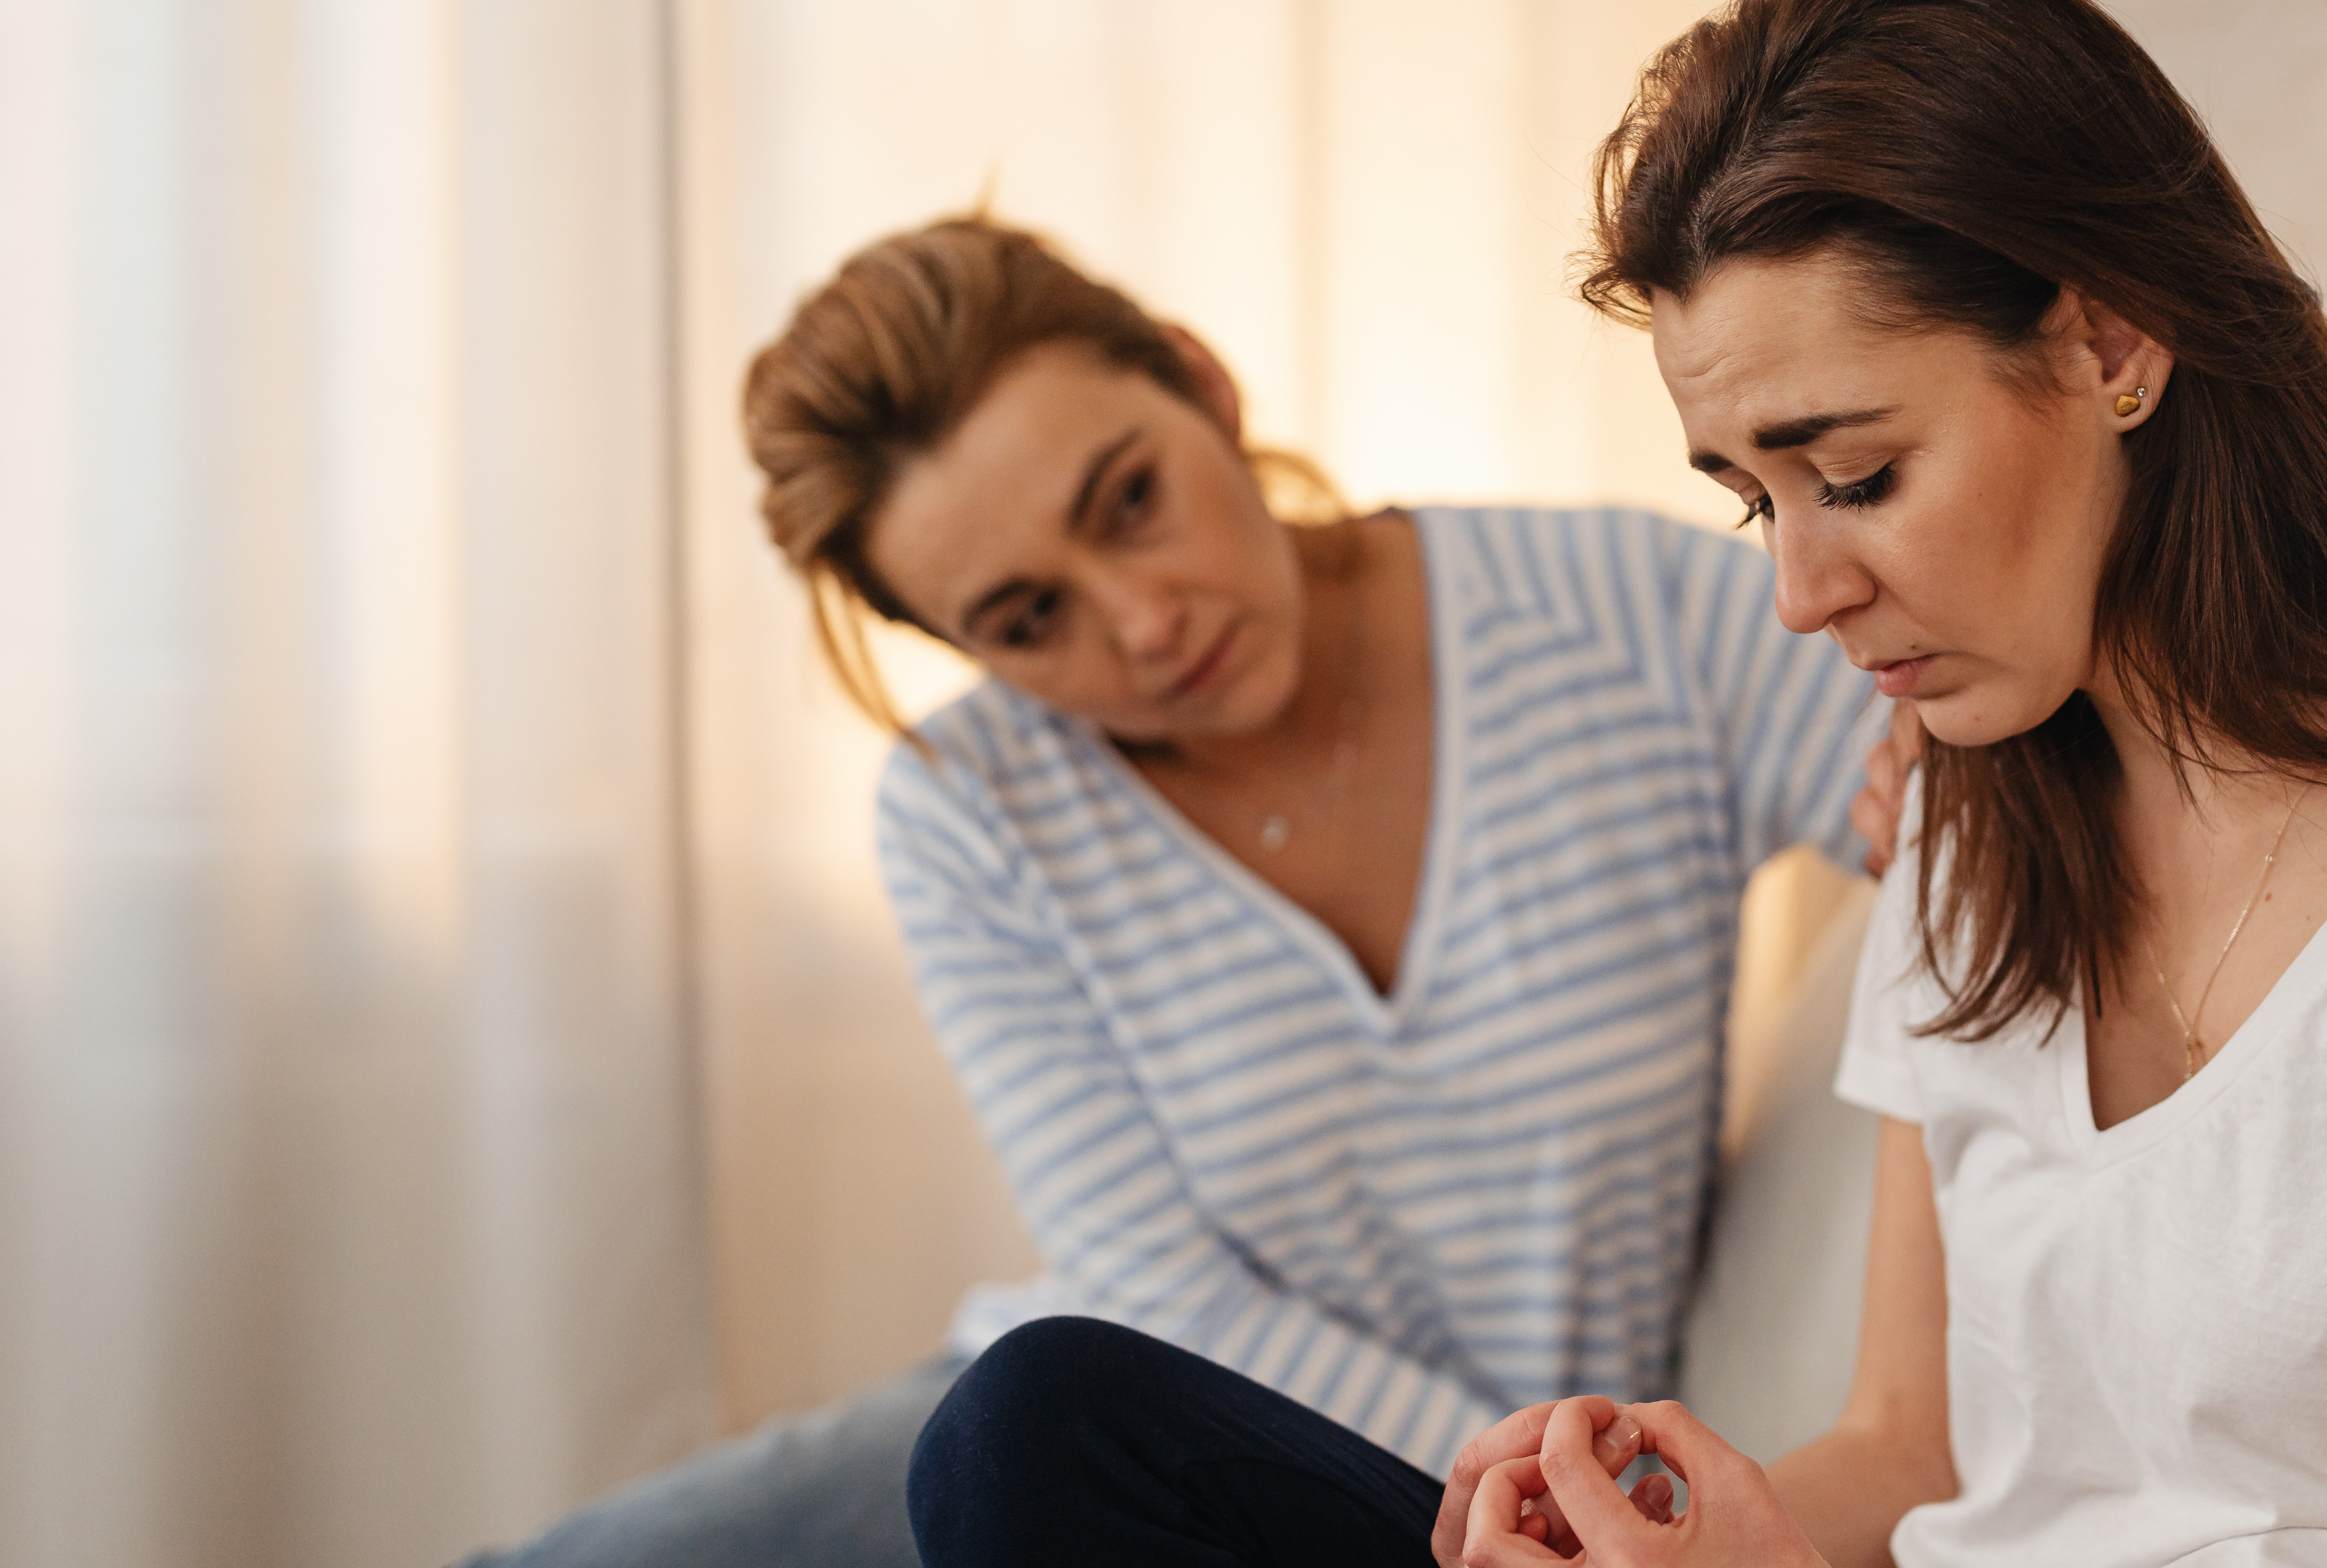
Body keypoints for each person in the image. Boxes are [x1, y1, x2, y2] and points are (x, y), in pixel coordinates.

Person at [907, 2, 2327, 1567]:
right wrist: (1656, 1536)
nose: (1802, 593)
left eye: (1858, 474)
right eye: (1754, 498)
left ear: (2109, 336)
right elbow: (1907, 1456)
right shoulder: (1977, 829)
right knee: (1048, 1428)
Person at [456, 216, 1906, 1567]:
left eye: (1131, 500)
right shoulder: (976, 813)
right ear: (964, 649)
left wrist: (1943, 779)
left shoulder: (1614, 617)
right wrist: (1517, 1495)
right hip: (1132, 1446)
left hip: (1487, 1495)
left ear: (1203, 390)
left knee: (1027, 1419)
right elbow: (1163, 1296)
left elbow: (1971, 757)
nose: (1144, 624)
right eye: (1031, 620)